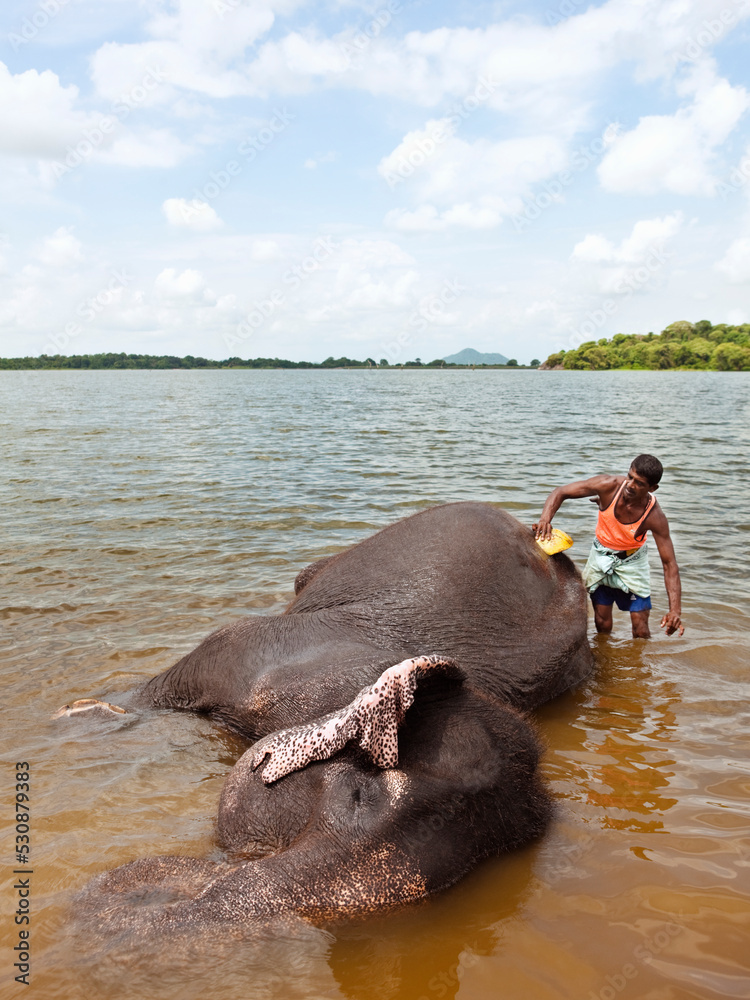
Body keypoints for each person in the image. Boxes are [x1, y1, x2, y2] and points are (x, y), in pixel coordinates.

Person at [533, 454, 684, 638]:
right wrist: (545, 520)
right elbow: (560, 491)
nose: (630, 485)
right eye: (630, 477)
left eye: (639, 483)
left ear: (653, 488)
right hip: (601, 557)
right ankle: (609, 660)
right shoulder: (608, 486)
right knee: (602, 623)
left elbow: (669, 564)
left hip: (632, 562)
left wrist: (675, 610)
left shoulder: (654, 516)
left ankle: (640, 665)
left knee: (640, 627)